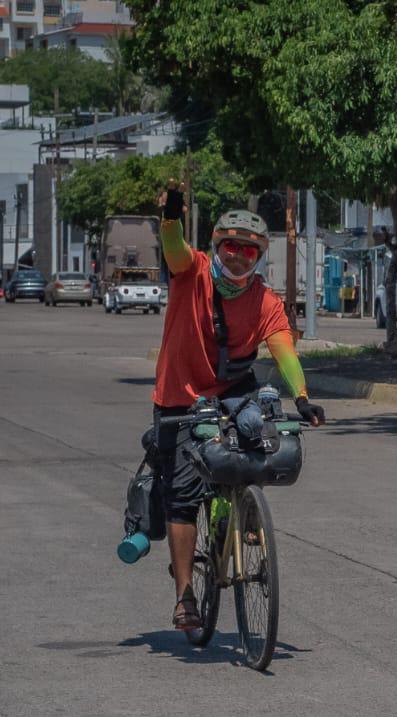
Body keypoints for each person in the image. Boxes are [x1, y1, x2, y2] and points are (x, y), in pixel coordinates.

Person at [151, 180, 325, 631]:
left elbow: (284, 349)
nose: (237, 257)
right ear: (216, 245)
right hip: (181, 397)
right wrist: (170, 215)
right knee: (184, 495)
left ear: (259, 257)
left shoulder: (265, 299)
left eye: (248, 252)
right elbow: (173, 247)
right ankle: (186, 594)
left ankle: (243, 512)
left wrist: (302, 398)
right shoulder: (191, 272)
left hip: (233, 391)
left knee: (257, 442)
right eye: (230, 247)